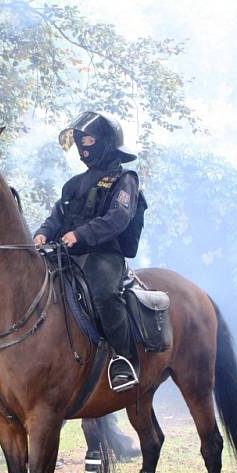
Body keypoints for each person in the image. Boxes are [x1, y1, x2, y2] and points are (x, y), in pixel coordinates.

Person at [34, 111, 142, 393]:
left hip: (104, 256)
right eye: (80, 140)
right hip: (67, 255)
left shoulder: (125, 179)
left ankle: (126, 360)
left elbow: (118, 218)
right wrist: (42, 233)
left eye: (90, 139)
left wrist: (80, 235)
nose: (83, 146)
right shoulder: (73, 184)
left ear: (106, 142)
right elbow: (57, 216)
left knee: (105, 295)